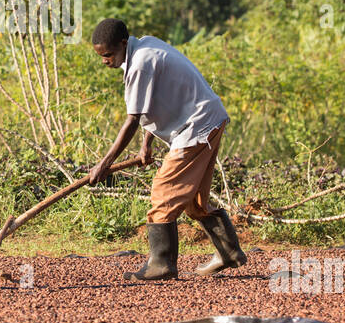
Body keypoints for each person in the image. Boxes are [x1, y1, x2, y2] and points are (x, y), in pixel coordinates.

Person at [87, 18, 248, 280]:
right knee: (195, 200)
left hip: (197, 128)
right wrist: (145, 146)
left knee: (163, 192)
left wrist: (104, 163)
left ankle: (161, 265)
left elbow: (133, 120)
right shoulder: (145, 46)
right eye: (101, 56)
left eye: (108, 54)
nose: (105, 60)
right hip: (209, 120)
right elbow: (153, 103)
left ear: (123, 44)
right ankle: (228, 252)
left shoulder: (140, 64)